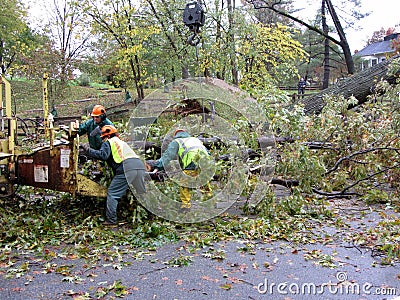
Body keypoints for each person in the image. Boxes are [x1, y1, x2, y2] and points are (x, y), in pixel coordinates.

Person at [82, 125, 146, 226]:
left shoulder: (109, 142)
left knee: (112, 194)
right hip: (140, 166)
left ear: (107, 136)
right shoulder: (122, 143)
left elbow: (103, 155)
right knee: (141, 193)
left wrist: (88, 150)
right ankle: (151, 214)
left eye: (103, 138)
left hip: (127, 168)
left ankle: (111, 221)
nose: (103, 140)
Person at [155, 129, 212, 210]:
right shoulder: (195, 140)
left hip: (191, 164)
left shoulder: (177, 142)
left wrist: (158, 165)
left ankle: (186, 206)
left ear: (176, 135)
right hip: (205, 163)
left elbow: (168, 156)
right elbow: (208, 152)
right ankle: (209, 200)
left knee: (184, 184)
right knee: (203, 181)